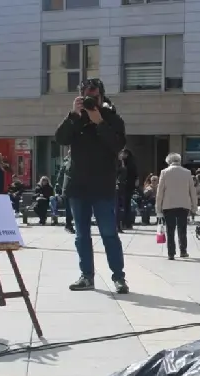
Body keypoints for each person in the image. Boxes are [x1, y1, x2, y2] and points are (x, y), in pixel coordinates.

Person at [54, 78, 129, 294]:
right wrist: (74, 115)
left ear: (102, 97)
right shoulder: (76, 119)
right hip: (78, 186)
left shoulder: (112, 119)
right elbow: (60, 138)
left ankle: (119, 278)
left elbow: (117, 145)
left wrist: (100, 122)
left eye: (94, 96)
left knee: (109, 233)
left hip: (103, 185)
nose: (90, 100)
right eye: (86, 95)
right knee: (81, 235)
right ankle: (86, 276)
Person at [156, 153, 199, 260]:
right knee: (182, 229)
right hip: (184, 205)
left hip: (168, 205)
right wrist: (194, 206)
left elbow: (160, 192)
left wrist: (158, 208)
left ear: (168, 161)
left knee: (170, 230)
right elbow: (192, 191)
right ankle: (183, 251)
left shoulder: (164, 172)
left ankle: (171, 253)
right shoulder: (187, 172)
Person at [117, 149, 138, 230]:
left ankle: (126, 222)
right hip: (128, 186)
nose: (122, 155)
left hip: (125, 186)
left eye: (124, 153)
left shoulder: (126, 164)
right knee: (126, 204)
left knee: (125, 204)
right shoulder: (131, 163)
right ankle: (127, 223)